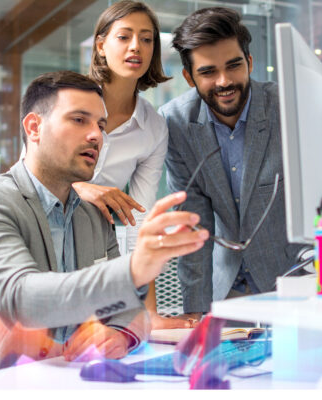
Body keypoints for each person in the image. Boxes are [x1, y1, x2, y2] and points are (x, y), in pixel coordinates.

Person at [0, 71, 208, 385]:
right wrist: (133, 269)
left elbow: (132, 310)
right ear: (34, 127)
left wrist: (119, 334)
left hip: (60, 381)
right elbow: (24, 300)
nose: (96, 135)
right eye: (79, 120)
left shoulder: (94, 215)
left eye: (100, 125)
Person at [160, 7, 300, 319]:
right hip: (226, 289)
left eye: (234, 66)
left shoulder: (288, 107)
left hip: (292, 282)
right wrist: (196, 314)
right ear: (189, 77)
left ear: (249, 62)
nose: (224, 81)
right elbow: (193, 227)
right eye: (208, 72)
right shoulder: (177, 123)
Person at [71, 1, 187, 329]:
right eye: (124, 37)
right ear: (101, 45)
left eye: (146, 39)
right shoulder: (68, 100)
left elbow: (141, 222)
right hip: (37, 243)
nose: (136, 46)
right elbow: (29, 177)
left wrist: (149, 314)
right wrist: (82, 188)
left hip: (93, 256)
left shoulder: (153, 127)